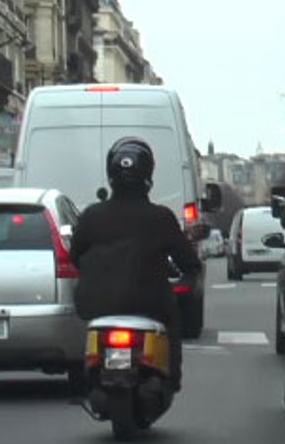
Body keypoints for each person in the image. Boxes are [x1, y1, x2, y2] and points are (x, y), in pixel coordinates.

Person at [70, 137, 202, 391]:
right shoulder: (160, 217)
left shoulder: (91, 215)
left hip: (96, 303)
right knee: (173, 320)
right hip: (148, 302)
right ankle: (172, 378)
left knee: (84, 332)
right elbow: (188, 261)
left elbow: (76, 255)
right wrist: (186, 278)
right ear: (148, 174)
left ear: (111, 175)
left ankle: (85, 376)